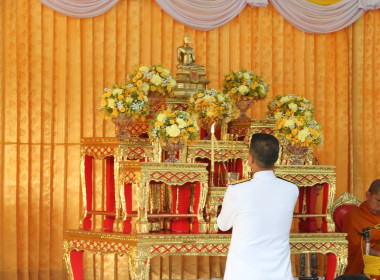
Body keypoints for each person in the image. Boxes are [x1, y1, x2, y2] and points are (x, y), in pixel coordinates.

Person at [217, 133, 299, 280]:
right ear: (276, 158)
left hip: (243, 274)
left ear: (251, 159)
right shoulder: (292, 189)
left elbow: (223, 225)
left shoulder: (237, 190)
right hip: (279, 275)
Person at [342, 179, 380, 279]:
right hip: (368, 266)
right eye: (378, 200)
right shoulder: (353, 216)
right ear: (368, 195)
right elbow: (357, 246)